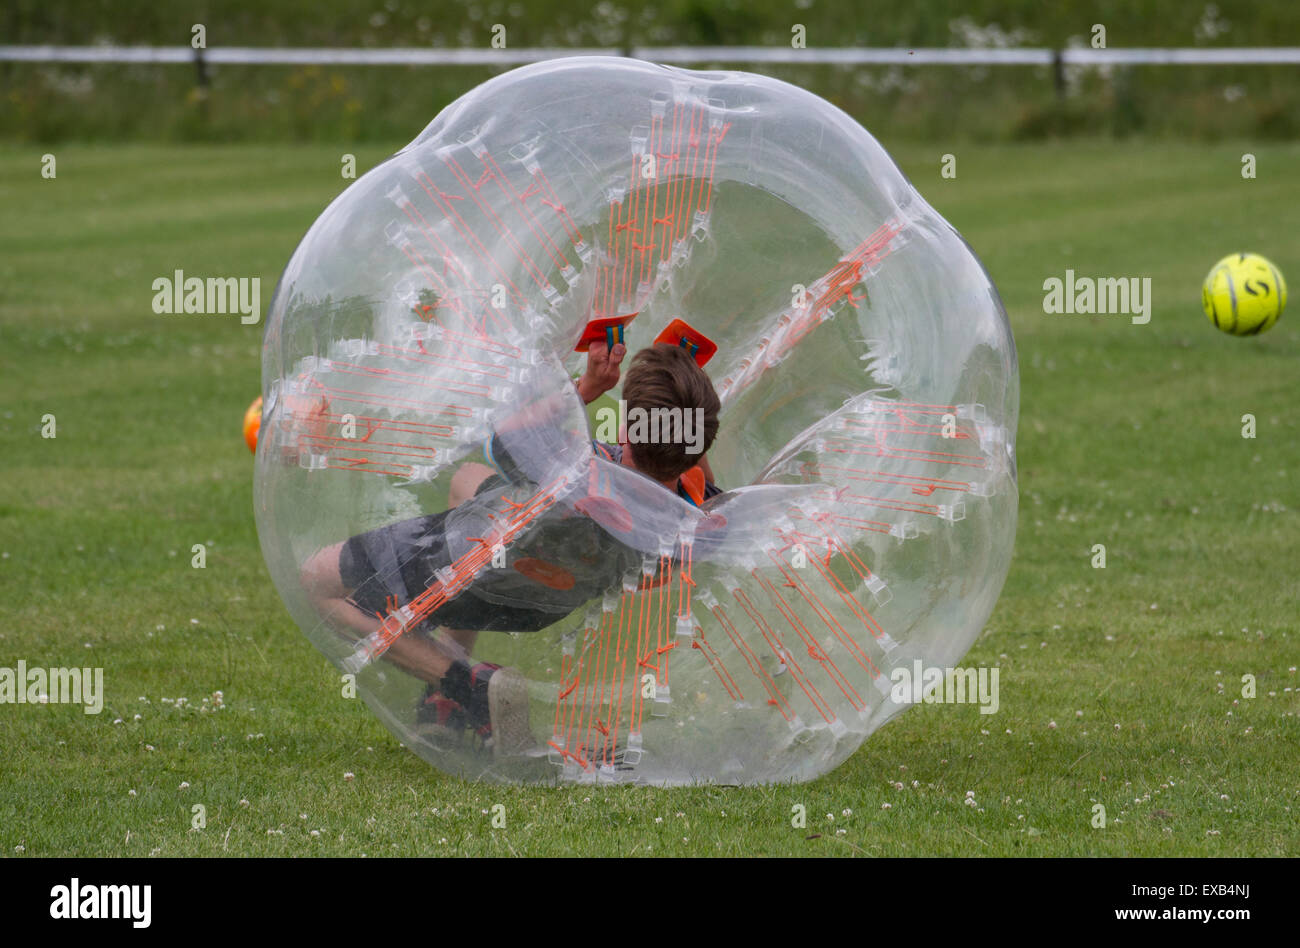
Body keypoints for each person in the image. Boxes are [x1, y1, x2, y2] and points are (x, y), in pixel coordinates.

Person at [300, 339, 722, 754]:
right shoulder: (685, 523)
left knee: (313, 581)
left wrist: (590, 387)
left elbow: (500, 439)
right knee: (467, 479)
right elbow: (700, 480)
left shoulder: (573, 468)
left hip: (467, 568)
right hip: (541, 605)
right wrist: (689, 429)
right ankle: (443, 702)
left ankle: (465, 685)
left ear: (628, 428)